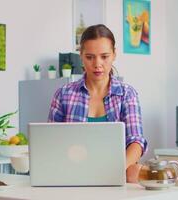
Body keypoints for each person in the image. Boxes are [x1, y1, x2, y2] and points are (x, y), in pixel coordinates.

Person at [48, 24, 148, 183]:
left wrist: (114, 170)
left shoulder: (127, 94)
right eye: (90, 57)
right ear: (80, 55)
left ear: (114, 54)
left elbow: (136, 142)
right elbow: (51, 142)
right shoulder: (63, 94)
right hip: (71, 177)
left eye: (104, 56)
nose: (97, 64)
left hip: (115, 176)